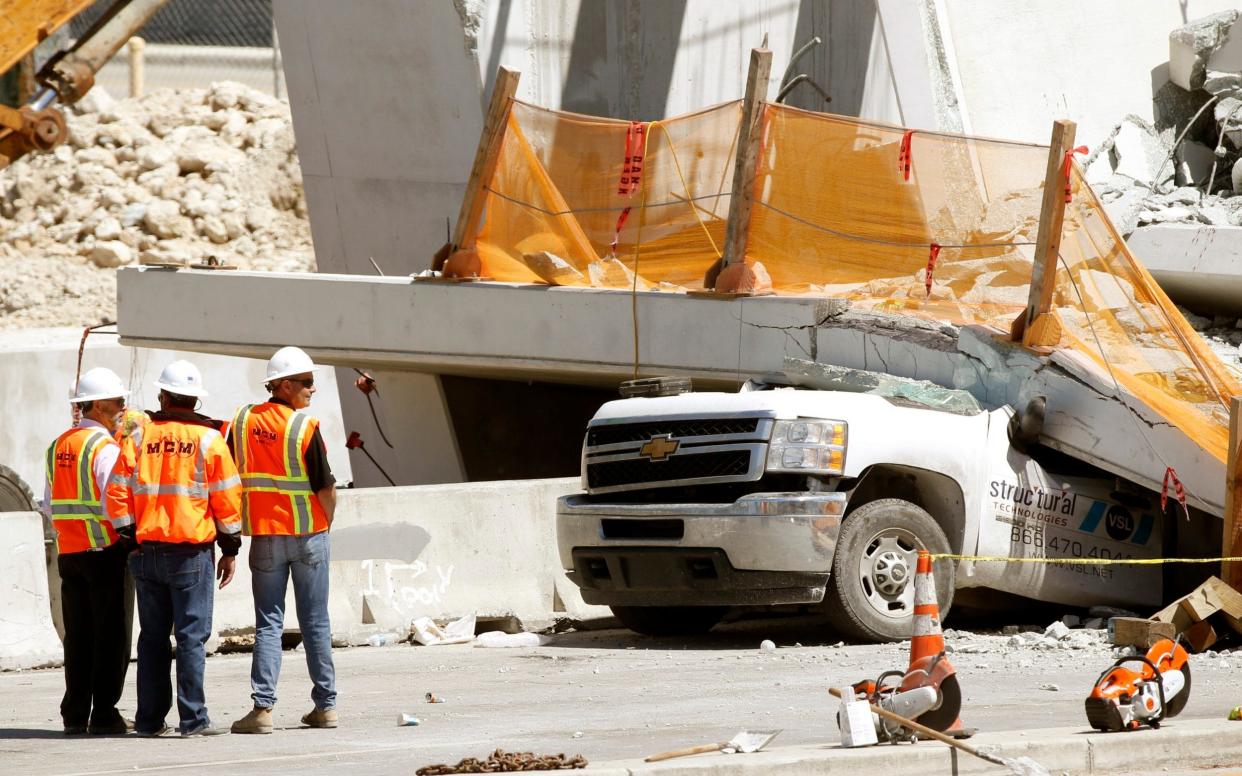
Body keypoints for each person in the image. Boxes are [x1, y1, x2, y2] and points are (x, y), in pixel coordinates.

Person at [105, 360, 242, 738]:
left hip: (146, 552)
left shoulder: (138, 437)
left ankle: (149, 721)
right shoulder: (210, 440)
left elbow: (115, 491)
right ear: (196, 400)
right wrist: (230, 547)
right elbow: (227, 498)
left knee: (151, 639)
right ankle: (193, 720)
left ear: (163, 396)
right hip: (190, 555)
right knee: (190, 638)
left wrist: (129, 537)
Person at [229, 346, 338, 734]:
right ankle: (325, 707)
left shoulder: (241, 422)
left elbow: (227, 474)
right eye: (307, 383)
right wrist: (324, 526)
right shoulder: (304, 428)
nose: (313, 389)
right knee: (315, 623)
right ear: (284, 385)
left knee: (268, 625)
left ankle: (262, 710)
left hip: (266, 538)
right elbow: (325, 488)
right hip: (308, 534)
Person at [43, 367, 131, 736]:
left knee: (78, 636)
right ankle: (106, 713)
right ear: (96, 405)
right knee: (111, 637)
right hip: (105, 550)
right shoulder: (105, 449)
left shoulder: (58, 444)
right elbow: (117, 503)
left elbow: (48, 505)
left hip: (70, 554)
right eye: (117, 401)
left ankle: (75, 712)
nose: (124, 407)